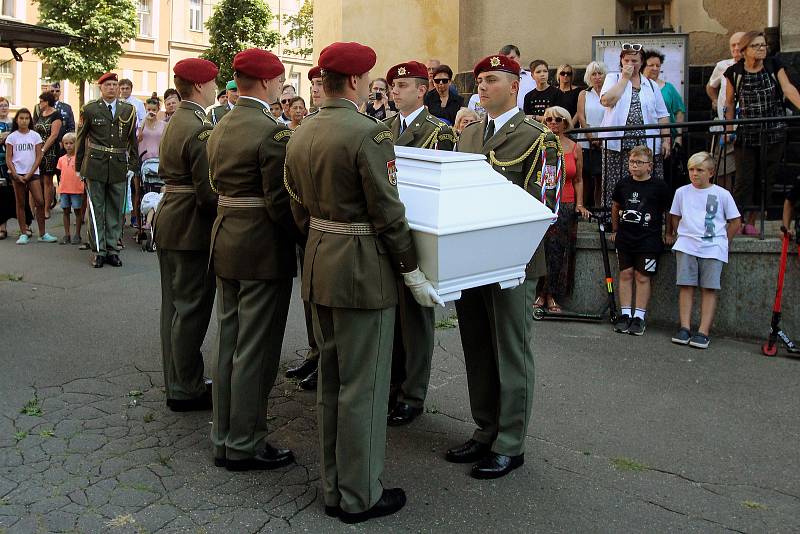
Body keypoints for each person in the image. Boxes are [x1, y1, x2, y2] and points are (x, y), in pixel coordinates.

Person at [284, 41, 440, 523]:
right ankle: (359, 494)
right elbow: (389, 213)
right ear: (353, 81)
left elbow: (296, 207)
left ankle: (336, 485)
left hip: (319, 261)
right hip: (360, 268)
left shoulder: (301, 132)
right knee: (364, 388)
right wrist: (411, 269)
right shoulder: (368, 135)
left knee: (332, 381)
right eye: (369, 77)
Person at [452, 54, 561, 479]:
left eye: (492, 79)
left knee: (511, 349)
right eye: (479, 79)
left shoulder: (538, 137)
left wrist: (510, 250)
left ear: (515, 86)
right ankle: (485, 430)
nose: (482, 85)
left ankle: (510, 442)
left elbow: (545, 203)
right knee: (476, 345)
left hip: (512, 261)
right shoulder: (471, 134)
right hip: (470, 259)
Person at [206, 48, 302, 472]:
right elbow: (279, 202)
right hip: (260, 245)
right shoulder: (271, 131)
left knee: (229, 341)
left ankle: (224, 435)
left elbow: (213, 184)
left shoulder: (221, 122)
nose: (282, 88)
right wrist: (303, 236)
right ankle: (246, 440)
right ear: (265, 83)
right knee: (257, 349)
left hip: (225, 236)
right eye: (280, 81)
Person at [383, 60, 455, 426]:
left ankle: (412, 393)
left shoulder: (438, 132)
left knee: (414, 320)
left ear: (421, 90)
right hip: (389, 231)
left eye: (403, 86)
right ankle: (392, 385)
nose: (394, 91)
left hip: (417, 233)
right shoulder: (383, 128)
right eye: (393, 86)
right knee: (390, 317)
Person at [153, 57, 219, 413]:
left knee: (174, 310)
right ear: (198, 86)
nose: (214, 88)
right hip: (190, 224)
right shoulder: (199, 126)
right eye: (211, 82)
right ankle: (186, 387)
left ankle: (178, 380)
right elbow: (208, 192)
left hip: (170, 219)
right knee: (192, 309)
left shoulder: (178, 119)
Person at [723, 31, 800, 235]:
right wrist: (728, 129)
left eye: (763, 45)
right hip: (747, 134)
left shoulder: (774, 65)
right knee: (743, 180)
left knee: (766, 178)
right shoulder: (734, 72)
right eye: (756, 46)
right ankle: (735, 222)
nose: (762, 49)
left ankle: (753, 221)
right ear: (745, 50)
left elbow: (788, 89)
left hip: (774, 133)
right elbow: (729, 103)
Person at [667, 151, 741, 349]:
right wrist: (680, 233)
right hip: (687, 244)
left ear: (711, 172)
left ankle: (703, 331)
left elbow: (735, 221)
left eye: (699, 170)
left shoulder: (722, 194)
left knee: (709, 288)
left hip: (713, 247)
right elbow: (674, 216)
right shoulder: (681, 192)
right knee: (686, 285)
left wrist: (724, 241)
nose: (694, 174)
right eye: (691, 169)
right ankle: (684, 327)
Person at [284, 67, 325, 390]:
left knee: (328, 300)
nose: (315, 89)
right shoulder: (306, 125)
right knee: (310, 297)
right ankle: (315, 352)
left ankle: (326, 359)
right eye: (313, 84)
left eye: (322, 83)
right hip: (306, 224)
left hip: (331, 226)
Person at [75, 72, 139, 268]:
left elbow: (132, 140)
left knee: (115, 209)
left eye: (114, 84)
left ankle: (112, 249)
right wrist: (79, 167)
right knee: (96, 210)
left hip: (119, 165)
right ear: (100, 88)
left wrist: (133, 165)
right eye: (108, 85)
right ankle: (98, 251)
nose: (111, 88)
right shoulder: (90, 109)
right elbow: (80, 138)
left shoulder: (129, 110)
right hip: (95, 165)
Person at [599, 44, 671, 210]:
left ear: (642, 62)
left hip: (646, 143)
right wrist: (624, 79)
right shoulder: (613, 78)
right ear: (621, 61)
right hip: (618, 143)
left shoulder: (651, 84)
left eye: (634, 60)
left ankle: (648, 215)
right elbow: (606, 101)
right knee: (616, 180)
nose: (630, 63)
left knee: (646, 181)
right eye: (627, 60)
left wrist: (666, 140)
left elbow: (662, 114)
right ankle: (613, 218)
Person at [610, 146, 671, 336]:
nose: (634, 166)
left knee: (642, 276)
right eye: (631, 162)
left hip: (648, 238)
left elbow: (668, 211)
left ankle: (639, 316)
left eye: (639, 163)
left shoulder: (659, 186)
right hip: (626, 237)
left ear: (649, 166)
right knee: (626, 274)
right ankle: (626, 313)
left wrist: (668, 232)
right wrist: (615, 229)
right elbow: (616, 206)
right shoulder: (623, 184)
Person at [536, 106, 590, 313]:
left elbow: (578, 179)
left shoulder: (575, 147)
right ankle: (540, 293)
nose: (553, 123)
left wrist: (579, 203)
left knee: (559, 251)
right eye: (548, 120)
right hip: (544, 203)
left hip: (565, 203)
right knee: (542, 250)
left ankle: (551, 295)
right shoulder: (539, 145)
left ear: (566, 122)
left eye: (558, 120)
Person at [6, 108, 57, 244]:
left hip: (33, 173)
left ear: (30, 120)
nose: (24, 121)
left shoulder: (35, 136)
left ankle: (42, 233)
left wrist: (30, 173)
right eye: (21, 118)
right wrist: (16, 174)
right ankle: (23, 232)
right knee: (21, 203)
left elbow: (39, 156)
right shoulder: (12, 137)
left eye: (27, 118)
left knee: (40, 202)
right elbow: (9, 158)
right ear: (17, 120)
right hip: (17, 175)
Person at [575, 61, 608, 207]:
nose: (597, 77)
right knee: (585, 176)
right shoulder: (584, 93)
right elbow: (581, 116)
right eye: (594, 74)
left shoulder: (609, 93)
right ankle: (582, 208)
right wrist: (590, 136)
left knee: (601, 178)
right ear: (589, 76)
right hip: (585, 140)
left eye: (600, 73)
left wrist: (600, 138)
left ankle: (598, 209)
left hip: (605, 140)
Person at [0, 97, 32, 240]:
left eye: (5, 105)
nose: (4, 108)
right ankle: (2, 227)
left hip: (16, 163)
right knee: (2, 195)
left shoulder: (15, 122)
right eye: (1, 106)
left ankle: (26, 225)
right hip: (1, 162)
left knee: (20, 195)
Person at [34, 91, 63, 219]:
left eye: (41, 101)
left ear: (47, 102)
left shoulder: (56, 115)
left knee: (47, 181)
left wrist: (43, 150)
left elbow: (54, 135)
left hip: (50, 152)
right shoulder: (40, 113)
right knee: (37, 179)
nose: (39, 103)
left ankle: (47, 208)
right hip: (38, 149)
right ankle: (37, 206)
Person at [707, 32, 746, 119]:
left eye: (739, 44)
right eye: (733, 45)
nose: (736, 48)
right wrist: (715, 100)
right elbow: (711, 86)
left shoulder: (754, 67)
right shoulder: (722, 66)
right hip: (726, 118)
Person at [55, 132, 83, 244]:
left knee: (77, 211)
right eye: (66, 143)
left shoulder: (79, 158)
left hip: (76, 189)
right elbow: (61, 174)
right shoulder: (61, 159)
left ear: (76, 144)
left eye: (71, 143)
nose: (68, 146)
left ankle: (77, 234)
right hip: (64, 189)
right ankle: (67, 234)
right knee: (65, 211)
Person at [499, 44, 534, 111]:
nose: (510, 61)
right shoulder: (499, 80)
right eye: (506, 59)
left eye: (512, 58)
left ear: (519, 57)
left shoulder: (532, 77)